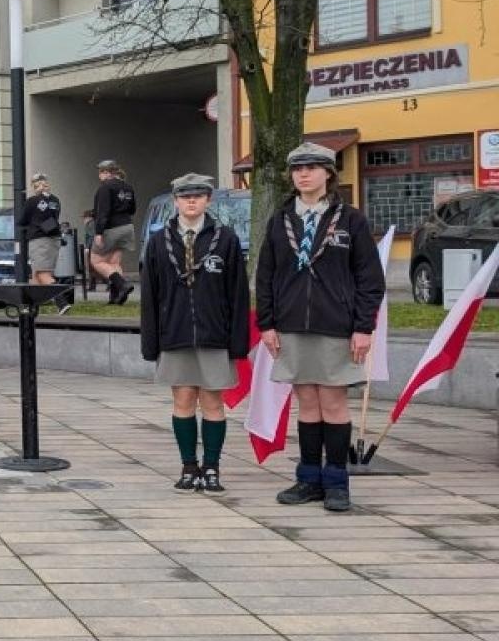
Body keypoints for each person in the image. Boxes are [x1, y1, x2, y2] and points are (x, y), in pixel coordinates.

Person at [258, 142, 385, 513]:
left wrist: (363, 327)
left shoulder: (351, 220)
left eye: (313, 167)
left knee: (333, 403)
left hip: (336, 326)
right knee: (307, 404)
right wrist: (266, 323)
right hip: (292, 325)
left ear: (328, 174)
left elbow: (369, 278)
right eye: (298, 168)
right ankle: (308, 478)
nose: (304, 174)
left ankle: (336, 482)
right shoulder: (280, 220)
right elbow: (265, 275)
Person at [140, 173, 250, 494]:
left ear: (208, 200)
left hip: (214, 334)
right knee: (183, 399)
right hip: (174, 333)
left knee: (214, 401)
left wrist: (237, 341)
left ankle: (212, 467)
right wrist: (151, 342)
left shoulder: (226, 239)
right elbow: (150, 295)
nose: (191, 201)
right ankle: (188, 466)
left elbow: (238, 294)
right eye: (185, 196)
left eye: (198, 196)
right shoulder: (159, 241)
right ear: (175, 201)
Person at [16, 173, 71, 313]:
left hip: (39, 240)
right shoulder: (56, 201)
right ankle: (31, 307)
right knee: (36, 275)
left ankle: (61, 302)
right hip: (54, 239)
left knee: (43, 275)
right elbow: (52, 217)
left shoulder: (32, 201)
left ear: (35, 186)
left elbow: (22, 220)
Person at [90, 159, 138, 304]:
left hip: (111, 228)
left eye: (100, 172)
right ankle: (116, 296)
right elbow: (132, 209)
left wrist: (98, 232)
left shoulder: (105, 187)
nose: (99, 175)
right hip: (127, 227)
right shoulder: (128, 187)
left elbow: (102, 211)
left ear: (106, 172)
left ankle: (122, 284)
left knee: (96, 261)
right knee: (114, 262)